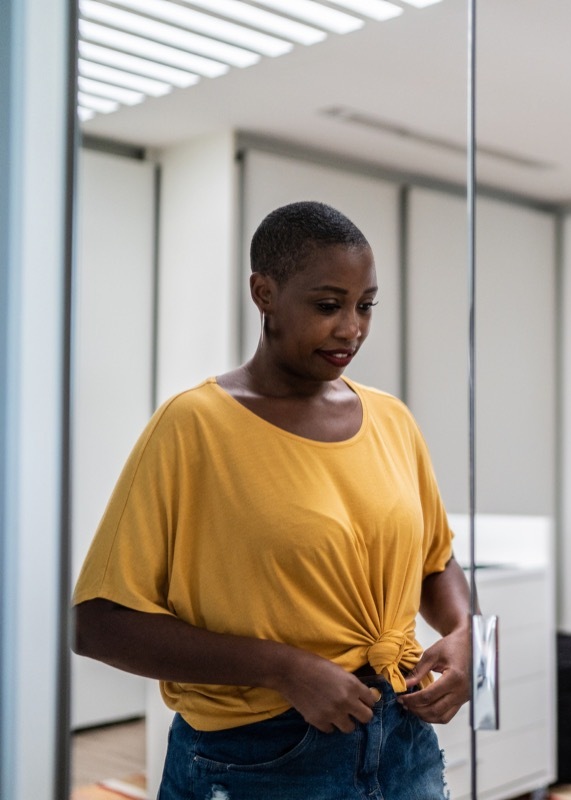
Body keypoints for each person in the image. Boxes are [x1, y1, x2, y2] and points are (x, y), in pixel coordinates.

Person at [72, 200, 471, 800]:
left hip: (403, 741)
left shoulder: (392, 419)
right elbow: (98, 625)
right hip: (258, 755)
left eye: (365, 306)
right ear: (264, 293)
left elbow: (434, 563)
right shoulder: (193, 426)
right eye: (328, 305)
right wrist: (283, 667)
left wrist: (468, 634)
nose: (351, 329)